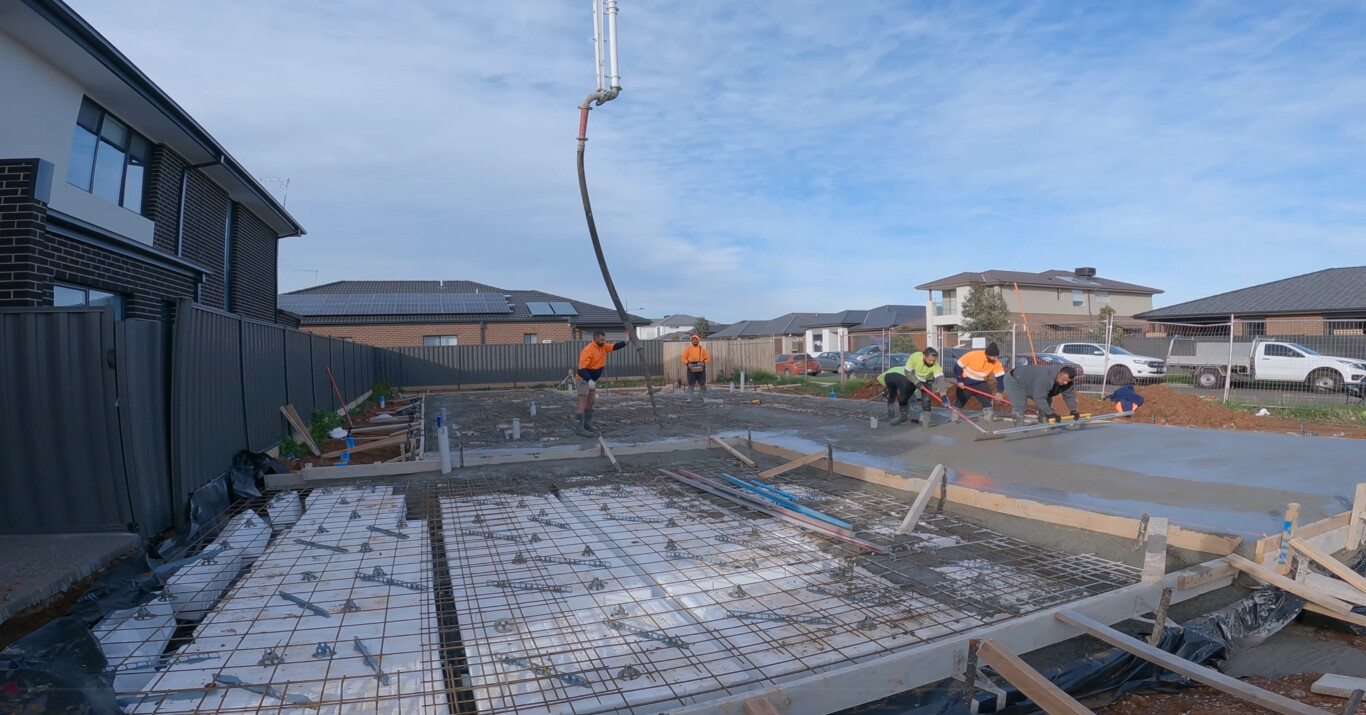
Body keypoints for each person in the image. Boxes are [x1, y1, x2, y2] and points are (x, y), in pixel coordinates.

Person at [575, 331, 626, 436]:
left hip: (592, 381)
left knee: (591, 402)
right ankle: (579, 429)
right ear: (595, 339)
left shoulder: (602, 347)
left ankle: (587, 425)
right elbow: (582, 368)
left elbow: (614, 346)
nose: (604, 342)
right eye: (602, 340)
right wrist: (589, 380)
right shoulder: (588, 350)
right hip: (583, 380)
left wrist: (626, 342)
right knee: (582, 404)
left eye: (604, 340)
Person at [1003, 363, 1079, 427]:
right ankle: (1018, 429)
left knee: (1047, 407)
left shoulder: (1067, 383)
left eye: (1068, 381)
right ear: (1059, 374)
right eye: (1064, 380)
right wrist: (1050, 413)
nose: (1065, 383)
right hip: (1016, 380)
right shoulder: (1046, 378)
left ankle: (1043, 428)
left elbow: (1069, 395)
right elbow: (1039, 398)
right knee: (1020, 405)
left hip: (1032, 383)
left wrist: (1073, 410)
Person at [953, 342, 1006, 421]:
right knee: (960, 400)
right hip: (966, 383)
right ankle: (955, 417)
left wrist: (999, 392)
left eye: (996, 356)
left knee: (987, 400)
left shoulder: (996, 363)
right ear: (987, 354)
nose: (995, 358)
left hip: (980, 383)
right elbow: (957, 366)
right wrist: (959, 380)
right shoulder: (973, 355)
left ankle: (989, 418)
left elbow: (1000, 378)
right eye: (994, 356)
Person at [905, 348, 948, 427]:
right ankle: (903, 416)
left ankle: (926, 422)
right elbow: (907, 372)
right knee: (904, 396)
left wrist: (943, 395)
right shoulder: (915, 357)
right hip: (913, 378)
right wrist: (916, 382)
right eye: (930, 360)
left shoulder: (935, 365)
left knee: (926, 401)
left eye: (934, 360)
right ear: (924, 356)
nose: (932, 362)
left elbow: (940, 379)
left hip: (927, 380)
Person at [681, 334, 710, 403]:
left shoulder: (702, 349)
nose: (695, 341)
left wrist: (704, 362)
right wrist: (688, 363)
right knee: (691, 383)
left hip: (701, 367)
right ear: (691, 341)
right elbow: (683, 358)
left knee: (702, 383)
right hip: (691, 367)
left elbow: (708, 358)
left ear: (698, 340)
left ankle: (705, 398)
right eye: (693, 340)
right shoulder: (688, 349)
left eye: (696, 339)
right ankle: (690, 398)